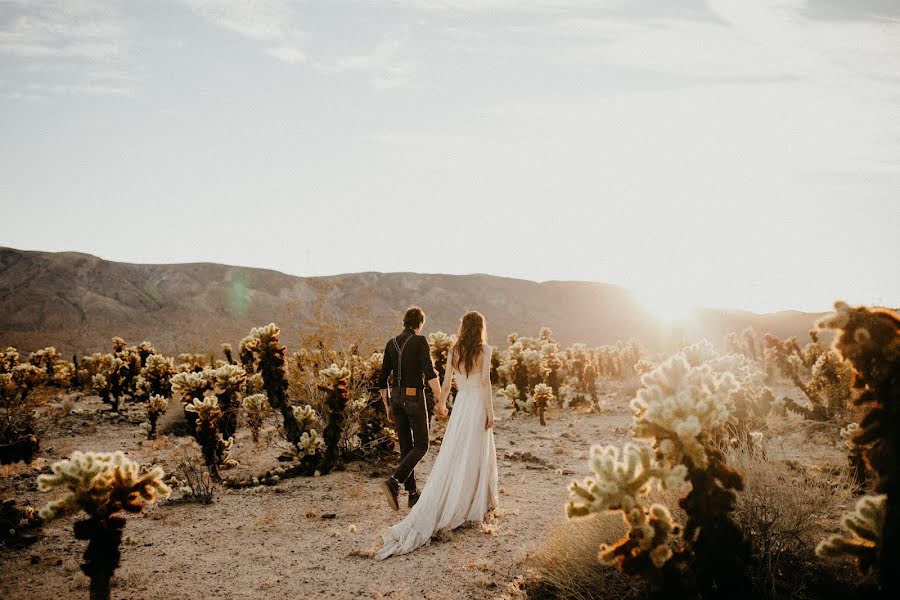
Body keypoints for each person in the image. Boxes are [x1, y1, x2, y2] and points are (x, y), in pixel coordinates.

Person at [375, 310, 499, 560]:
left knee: (422, 448)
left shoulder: (450, 350)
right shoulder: (483, 350)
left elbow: (443, 382)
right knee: (455, 450)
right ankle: (400, 481)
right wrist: (489, 412)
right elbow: (480, 382)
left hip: (451, 403)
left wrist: (440, 404)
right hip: (464, 404)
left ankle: (412, 494)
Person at [377, 306, 446, 511]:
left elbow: (382, 379)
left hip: (396, 397)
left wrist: (388, 404)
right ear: (420, 323)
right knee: (422, 445)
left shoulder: (391, 343)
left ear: (404, 322)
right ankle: (394, 481)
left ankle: (413, 494)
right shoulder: (420, 341)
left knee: (407, 447)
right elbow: (429, 372)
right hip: (413, 395)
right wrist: (440, 398)